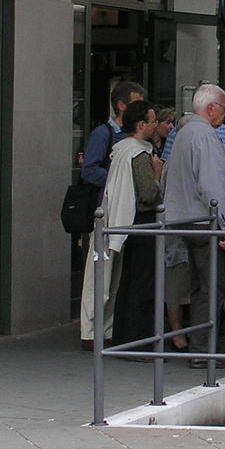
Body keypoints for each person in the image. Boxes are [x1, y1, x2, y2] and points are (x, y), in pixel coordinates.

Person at [161, 83, 225, 368]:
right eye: (224, 108)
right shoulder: (205, 136)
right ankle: (203, 350)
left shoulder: (183, 134)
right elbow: (213, 185)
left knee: (201, 286)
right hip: (204, 222)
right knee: (212, 286)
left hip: (185, 220)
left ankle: (200, 346)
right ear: (211, 108)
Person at [79, 80, 146, 351]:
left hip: (120, 211)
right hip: (105, 213)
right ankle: (89, 331)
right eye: (136, 103)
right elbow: (88, 170)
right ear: (121, 105)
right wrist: (118, 178)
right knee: (99, 275)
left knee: (114, 278)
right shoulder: (103, 134)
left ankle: (105, 330)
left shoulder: (127, 138)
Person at [108, 100, 163, 350]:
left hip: (125, 221)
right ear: (141, 124)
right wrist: (158, 174)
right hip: (141, 222)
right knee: (142, 283)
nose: (156, 126)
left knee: (128, 281)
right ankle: (137, 340)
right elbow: (148, 194)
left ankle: (123, 337)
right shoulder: (139, 154)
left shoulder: (121, 149)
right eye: (153, 122)